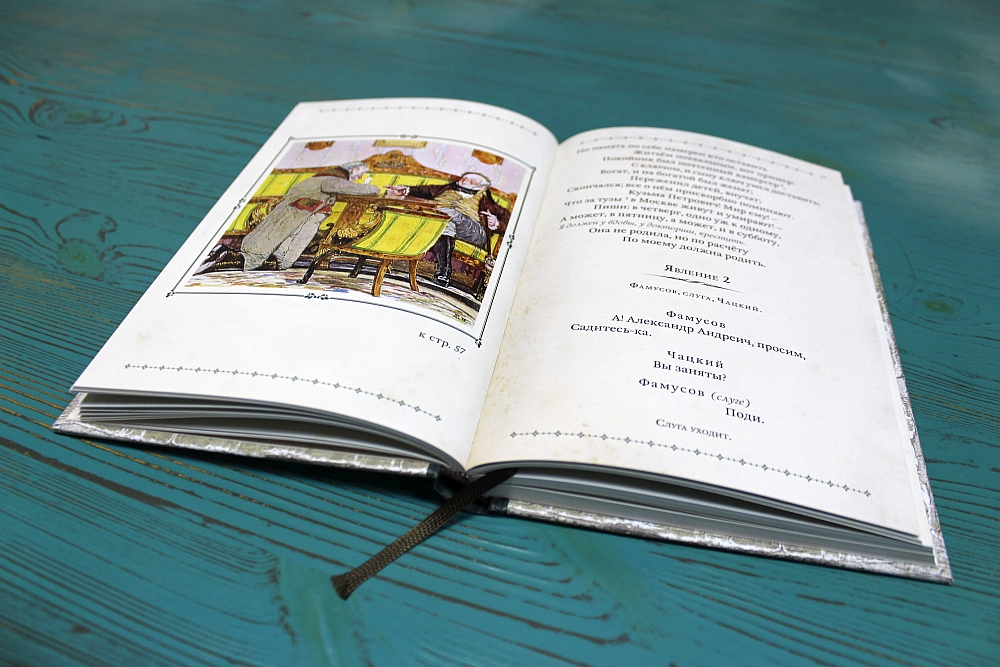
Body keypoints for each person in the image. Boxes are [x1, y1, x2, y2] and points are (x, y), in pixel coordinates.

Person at [196, 161, 379, 274]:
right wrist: (375, 188)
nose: (360, 176)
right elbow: (353, 189)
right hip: (302, 214)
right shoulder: (333, 178)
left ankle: (227, 255)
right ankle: (229, 256)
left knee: (271, 244)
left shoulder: (315, 178)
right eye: (360, 172)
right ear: (353, 170)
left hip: (289, 210)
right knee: (281, 251)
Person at [385, 172, 510, 287]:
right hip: (445, 222)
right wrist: (406, 190)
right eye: (464, 178)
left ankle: (437, 213)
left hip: (474, 231)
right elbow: (426, 190)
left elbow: (508, 220)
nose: (465, 181)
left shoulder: (486, 200)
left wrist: (496, 223)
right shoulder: (448, 188)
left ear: (482, 187)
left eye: (471, 181)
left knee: (451, 214)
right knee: (447, 225)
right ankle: (443, 273)